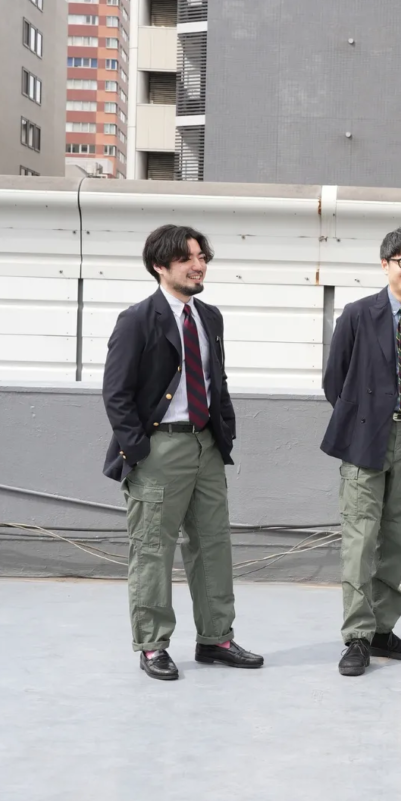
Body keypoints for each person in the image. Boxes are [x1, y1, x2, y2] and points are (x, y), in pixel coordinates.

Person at [102, 224, 263, 681]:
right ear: (160, 265)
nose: (199, 266)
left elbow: (217, 381)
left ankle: (216, 639)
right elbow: (116, 393)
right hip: (159, 448)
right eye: (187, 258)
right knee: (153, 550)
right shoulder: (137, 319)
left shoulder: (209, 316)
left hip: (205, 445)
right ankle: (152, 645)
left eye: (202, 257)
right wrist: (138, 450)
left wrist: (224, 432)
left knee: (213, 545)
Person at [321, 227, 401, 677]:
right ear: (385, 265)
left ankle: (381, 630)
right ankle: (356, 636)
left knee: (398, 539)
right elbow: (334, 381)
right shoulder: (358, 315)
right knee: (360, 540)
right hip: (365, 437)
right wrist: (363, 418)